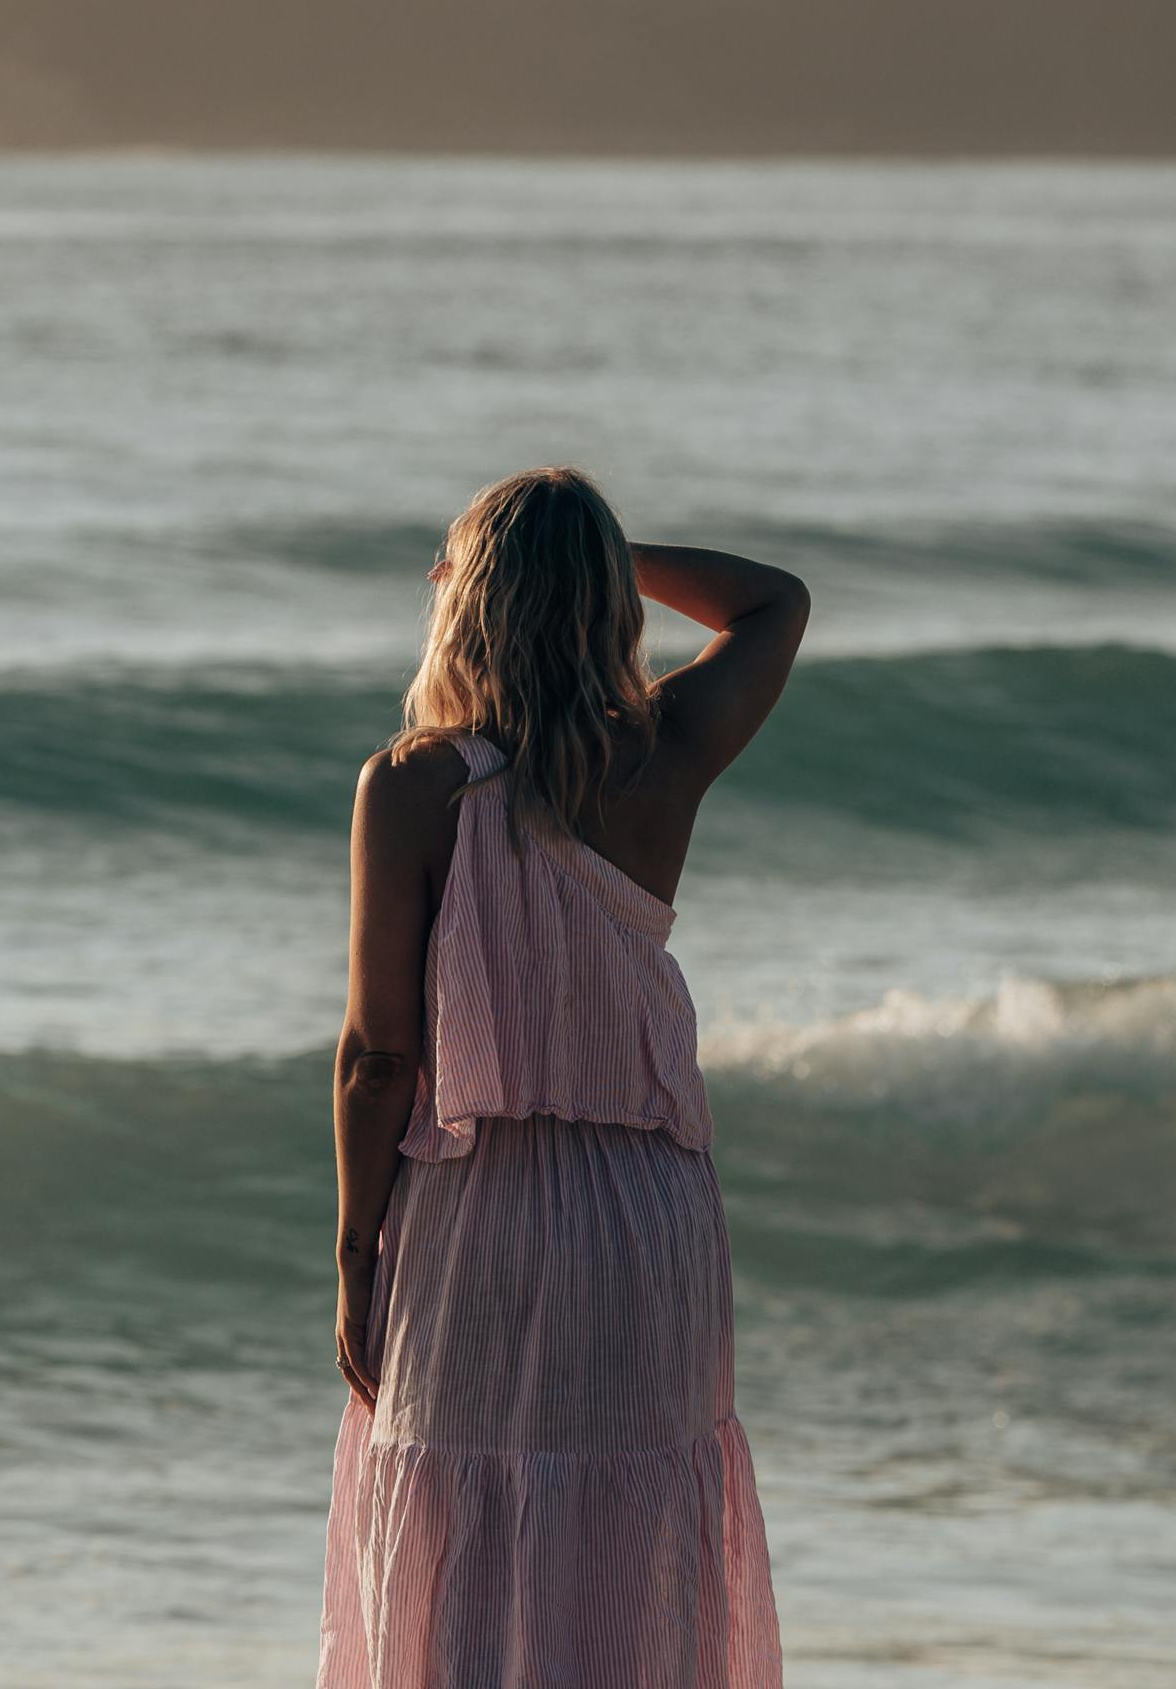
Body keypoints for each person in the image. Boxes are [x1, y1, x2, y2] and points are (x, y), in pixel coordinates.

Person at [319, 466, 809, 1689]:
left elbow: (380, 1055)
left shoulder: (417, 781)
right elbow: (774, 603)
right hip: (650, 1214)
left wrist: (355, 1249)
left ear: (465, 602)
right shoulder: (665, 749)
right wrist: (594, 554)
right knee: (630, 1533)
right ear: (599, 602)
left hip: (481, 1209)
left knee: (469, 1519)